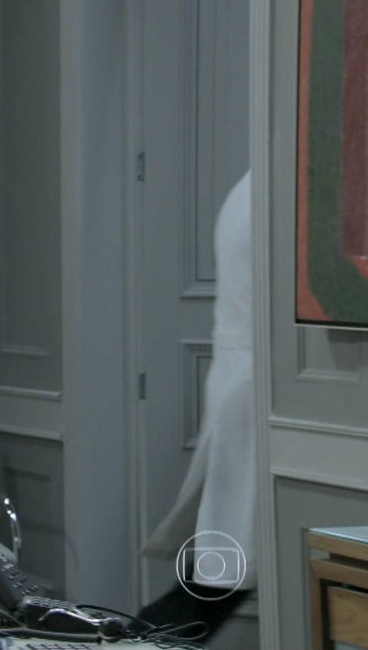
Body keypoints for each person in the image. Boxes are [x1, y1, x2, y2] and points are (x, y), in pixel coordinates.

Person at [138, 170, 255, 640]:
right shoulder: (280, 184)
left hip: (243, 382)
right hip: (258, 390)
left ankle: (139, 638)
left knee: (218, 571)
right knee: (216, 579)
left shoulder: (248, 187)